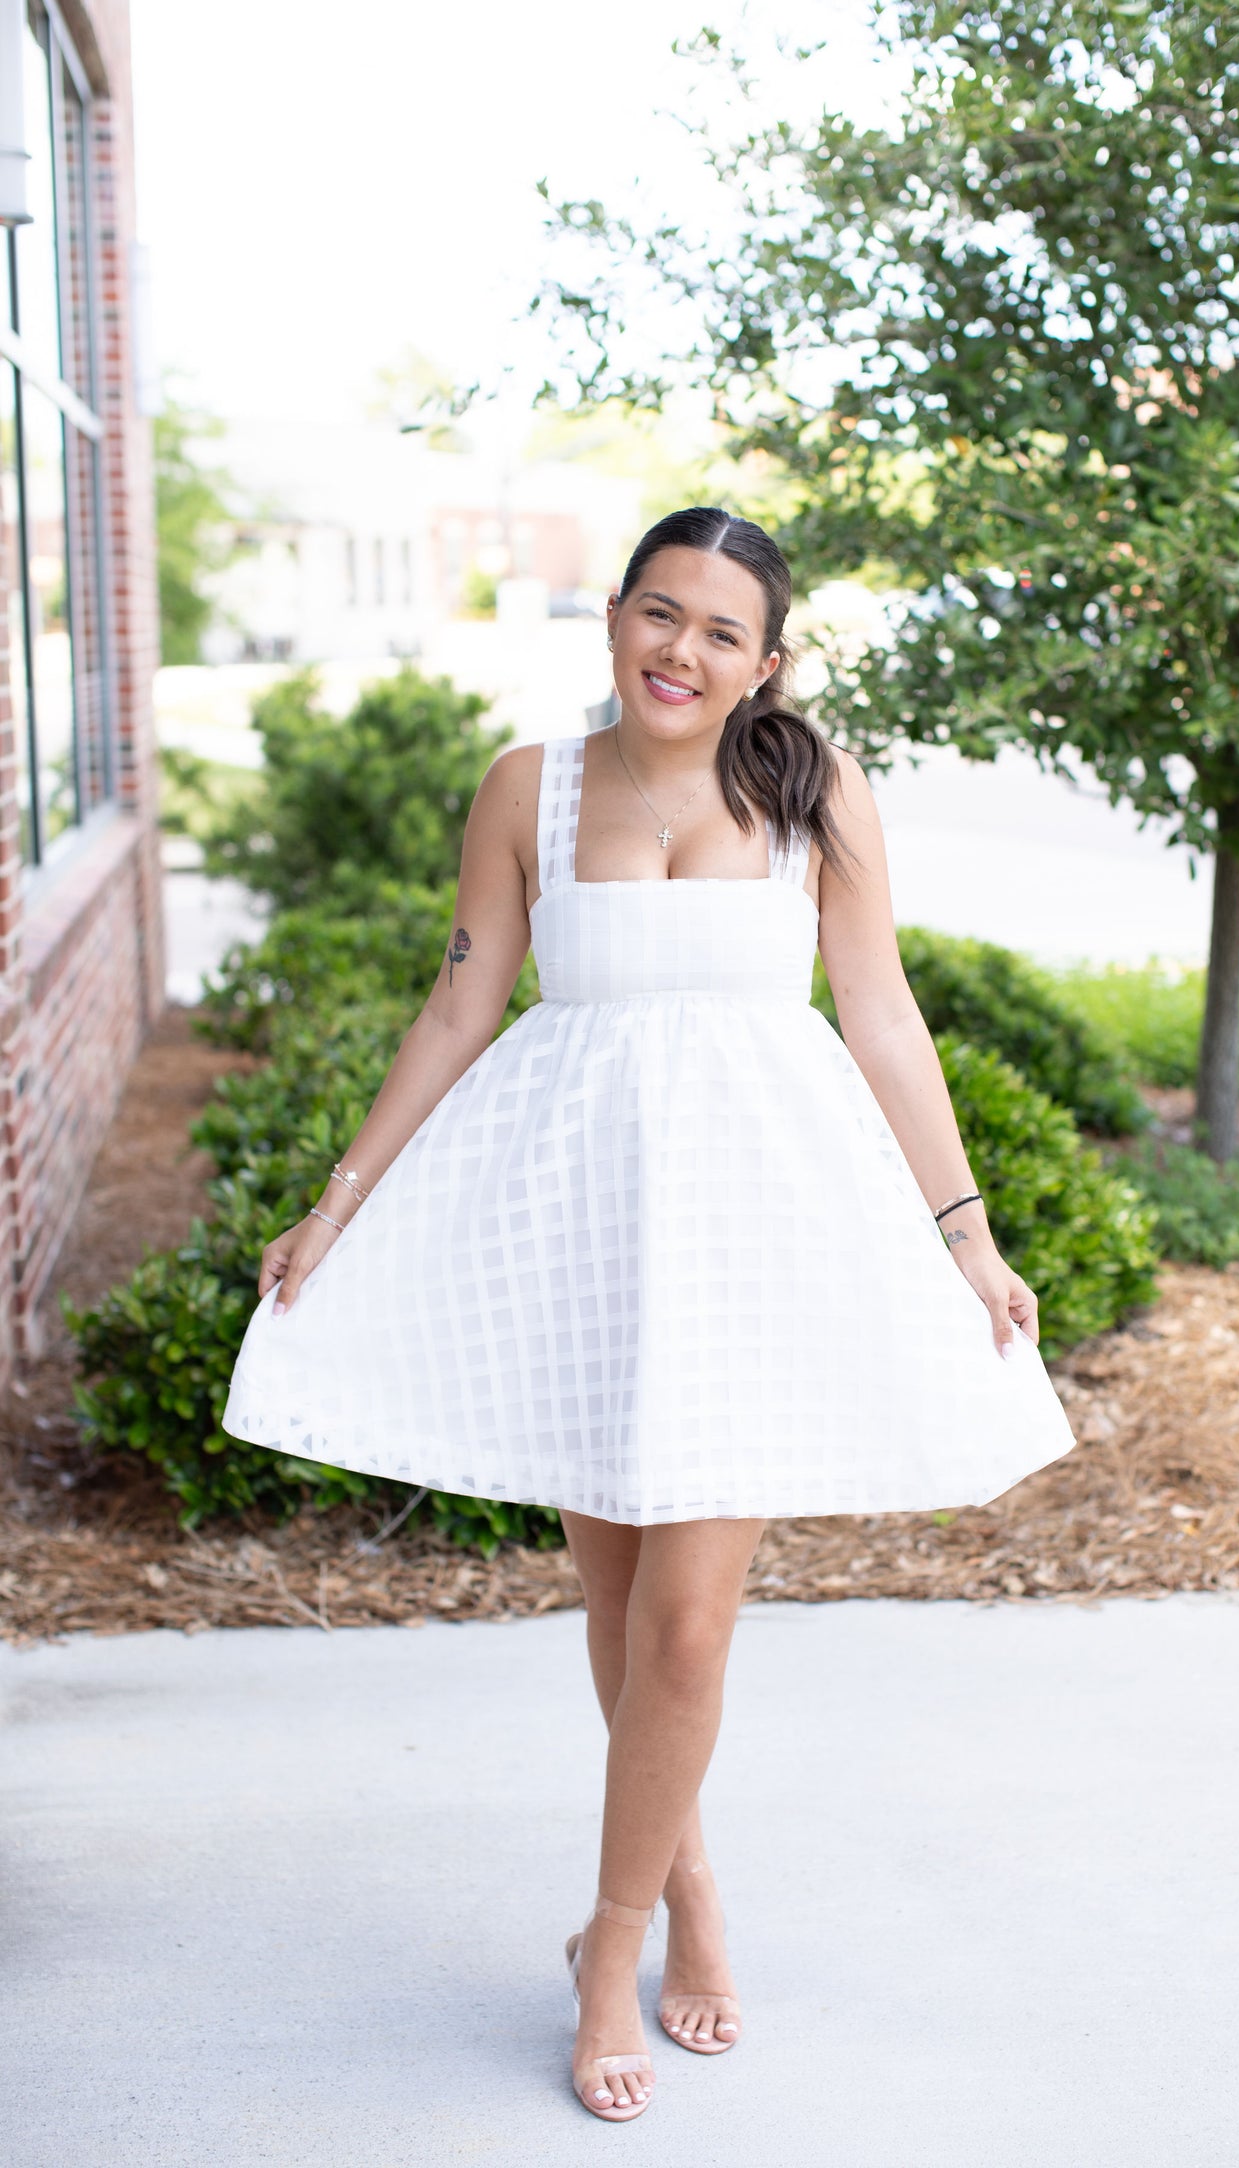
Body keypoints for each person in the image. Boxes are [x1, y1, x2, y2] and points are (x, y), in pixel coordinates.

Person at [223, 506, 1075, 2125]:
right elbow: (468, 993)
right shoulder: (527, 785)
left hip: (757, 1228)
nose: (680, 653)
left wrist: (962, 1234)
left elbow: (880, 1015)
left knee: (686, 1624)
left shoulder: (814, 792)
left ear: (770, 661)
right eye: (656, 615)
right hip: (572, 1219)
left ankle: (609, 1944)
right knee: (618, 1621)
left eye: (719, 633)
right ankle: (683, 1890)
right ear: (614, 616)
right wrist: (335, 1202)